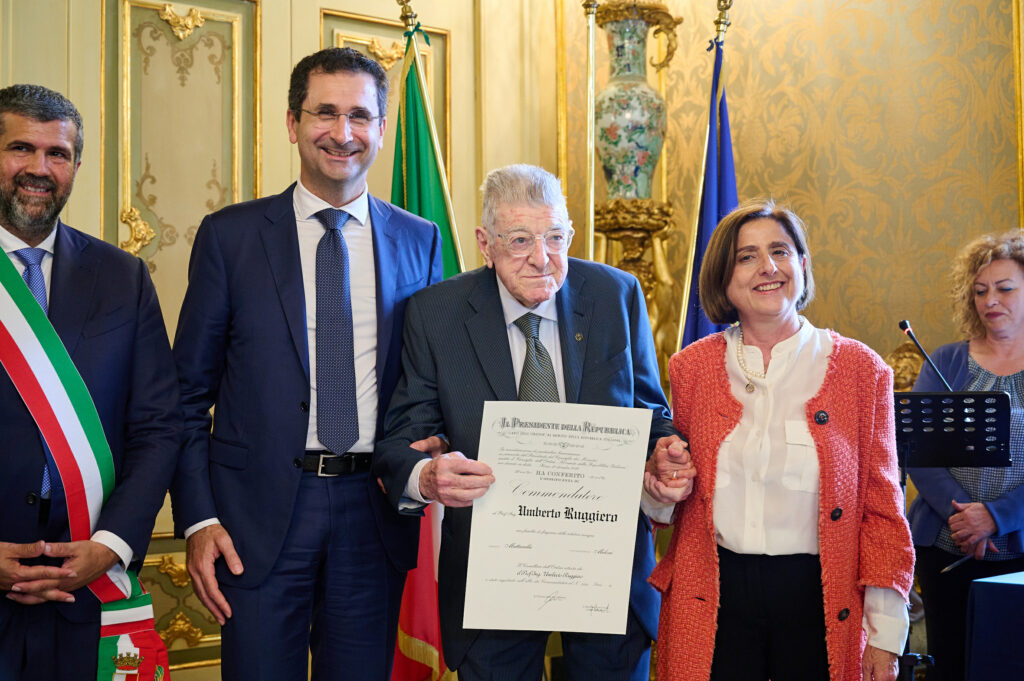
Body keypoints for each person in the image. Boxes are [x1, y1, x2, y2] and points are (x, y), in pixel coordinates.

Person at [171, 47, 443, 680]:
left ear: (380, 128)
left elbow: (426, 381)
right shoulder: (230, 237)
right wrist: (198, 518)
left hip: (374, 513)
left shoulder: (419, 240)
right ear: (292, 123)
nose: (342, 134)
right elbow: (185, 398)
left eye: (359, 116)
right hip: (256, 520)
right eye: (325, 113)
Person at [373, 163, 692, 681]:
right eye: (520, 240)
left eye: (555, 237)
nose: (542, 258)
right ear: (485, 242)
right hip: (493, 569)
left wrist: (664, 450)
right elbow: (404, 439)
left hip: (603, 565)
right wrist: (427, 477)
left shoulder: (615, 295)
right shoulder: (437, 313)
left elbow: (650, 413)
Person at [646, 198, 915, 681]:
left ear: (803, 265)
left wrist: (887, 636)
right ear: (723, 278)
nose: (767, 267)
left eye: (781, 251)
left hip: (820, 600)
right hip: (713, 597)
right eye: (746, 257)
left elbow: (882, 511)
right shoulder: (691, 369)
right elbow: (672, 496)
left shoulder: (861, 370)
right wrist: (660, 483)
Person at [0, 84, 181, 677]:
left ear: (76, 166)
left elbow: (158, 426)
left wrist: (113, 544)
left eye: (58, 154)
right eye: (20, 148)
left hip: (90, 585)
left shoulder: (123, 276)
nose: (38, 169)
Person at [909, 231, 1024, 681]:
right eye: (980, 291)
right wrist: (965, 519)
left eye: (1004, 288)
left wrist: (995, 517)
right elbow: (918, 451)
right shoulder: (947, 359)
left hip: (1018, 548)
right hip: (947, 545)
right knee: (950, 665)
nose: (989, 300)